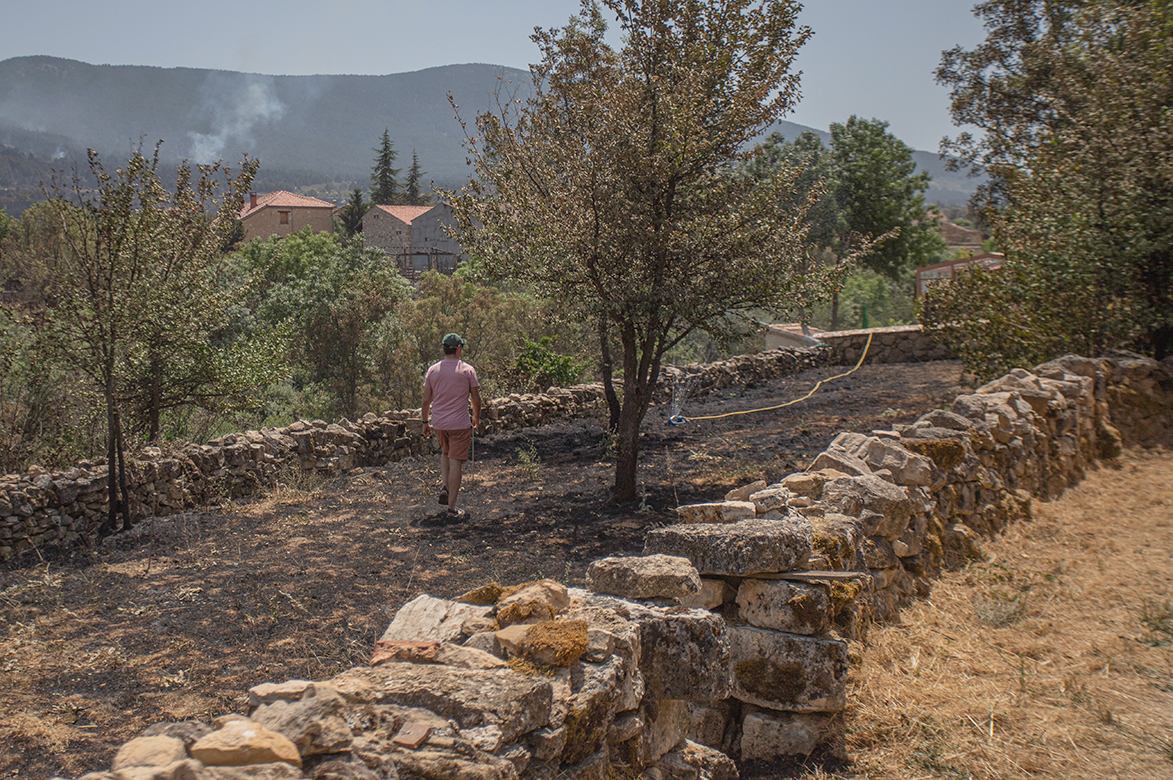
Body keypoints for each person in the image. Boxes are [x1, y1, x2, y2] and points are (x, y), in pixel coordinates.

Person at [421, 332, 481, 520]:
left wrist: (425, 422)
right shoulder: (467, 370)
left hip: (439, 423)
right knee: (455, 461)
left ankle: (446, 487)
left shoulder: (432, 370)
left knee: (446, 453)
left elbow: (425, 401)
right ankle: (452, 509)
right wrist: (477, 416)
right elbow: (475, 398)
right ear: (458, 349)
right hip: (460, 424)